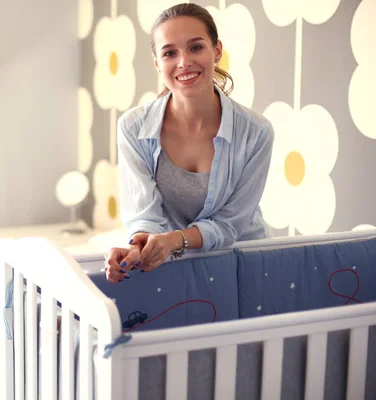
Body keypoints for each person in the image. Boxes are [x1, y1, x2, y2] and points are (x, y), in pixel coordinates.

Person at [105, 3, 274, 284]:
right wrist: (137, 246)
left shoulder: (256, 133)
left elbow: (230, 224)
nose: (183, 62)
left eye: (196, 47)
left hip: (245, 262)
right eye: (170, 52)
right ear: (157, 63)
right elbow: (144, 214)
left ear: (217, 50)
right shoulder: (133, 128)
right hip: (178, 266)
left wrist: (174, 240)